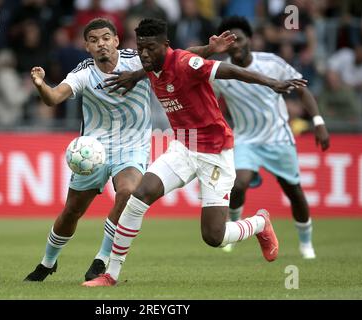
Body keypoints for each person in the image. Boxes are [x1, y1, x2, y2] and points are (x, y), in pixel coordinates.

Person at [82, 18, 307, 287]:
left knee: (214, 236)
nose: (143, 54)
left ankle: (259, 223)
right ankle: (111, 274)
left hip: (215, 152)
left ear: (165, 46)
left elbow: (230, 70)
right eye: (140, 47)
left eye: (150, 48)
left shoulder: (185, 63)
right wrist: (134, 75)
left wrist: (272, 82)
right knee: (139, 195)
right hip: (184, 146)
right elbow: (159, 61)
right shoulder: (150, 63)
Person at [24, 18, 236, 282]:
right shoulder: (83, 73)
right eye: (93, 40)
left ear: (115, 40)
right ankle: (48, 262)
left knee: (127, 193)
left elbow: (178, 57)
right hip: (94, 151)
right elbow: (54, 98)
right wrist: (41, 85)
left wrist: (209, 48)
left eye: (105, 38)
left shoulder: (138, 59)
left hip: (132, 147)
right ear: (86, 46)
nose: (101, 44)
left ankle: (101, 259)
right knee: (72, 211)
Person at [211, 17, 330, 259]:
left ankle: (306, 244)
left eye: (240, 39)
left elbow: (302, 88)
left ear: (250, 40)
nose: (235, 45)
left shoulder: (271, 63)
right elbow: (209, 102)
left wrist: (318, 121)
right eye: (230, 41)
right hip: (245, 138)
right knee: (238, 184)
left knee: (294, 191)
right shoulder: (221, 72)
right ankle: (233, 233)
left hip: (278, 137)